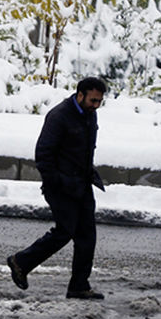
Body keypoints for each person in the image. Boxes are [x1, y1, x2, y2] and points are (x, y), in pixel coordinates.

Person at [7, 76, 108, 300]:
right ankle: (20, 261)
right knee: (65, 232)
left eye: (99, 101)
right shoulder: (59, 116)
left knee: (87, 237)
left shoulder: (90, 115)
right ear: (80, 95)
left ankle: (79, 286)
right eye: (92, 100)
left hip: (82, 184)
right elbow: (43, 154)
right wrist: (56, 182)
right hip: (61, 186)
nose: (95, 105)